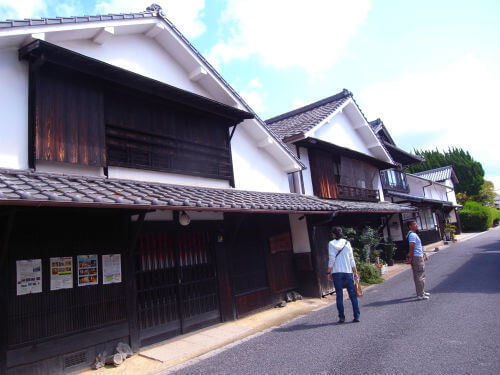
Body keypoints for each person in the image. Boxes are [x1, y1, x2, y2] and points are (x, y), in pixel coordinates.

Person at [326, 226, 360, 323]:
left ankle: (342, 317)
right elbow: (351, 259)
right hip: (348, 271)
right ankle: (357, 316)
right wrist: (355, 272)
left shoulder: (331, 244)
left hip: (337, 272)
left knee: (339, 295)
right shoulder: (347, 243)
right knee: (352, 295)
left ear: (334, 234)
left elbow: (332, 259)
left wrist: (328, 272)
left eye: (332, 233)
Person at [406, 220, 430, 300]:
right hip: (416, 257)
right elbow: (412, 246)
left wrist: (423, 254)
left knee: (420, 275)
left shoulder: (412, 234)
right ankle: (420, 294)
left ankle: (421, 291)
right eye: (414, 224)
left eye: (416, 224)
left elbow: (417, 246)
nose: (417, 225)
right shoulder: (412, 235)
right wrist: (411, 257)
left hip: (418, 255)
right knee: (420, 275)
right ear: (410, 226)